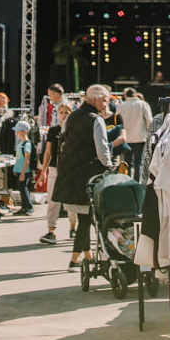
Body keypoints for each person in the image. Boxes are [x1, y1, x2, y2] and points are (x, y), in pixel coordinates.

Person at [51, 84, 113, 270]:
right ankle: (74, 260)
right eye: (104, 99)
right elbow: (102, 151)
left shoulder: (72, 117)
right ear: (94, 99)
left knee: (83, 215)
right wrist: (109, 167)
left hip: (70, 173)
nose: (106, 103)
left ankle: (87, 254)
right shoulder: (96, 120)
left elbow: (63, 141)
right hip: (87, 174)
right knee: (86, 218)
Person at [37, 102, 75, 245]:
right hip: (55, 168)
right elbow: (48, 152)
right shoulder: (53, 130)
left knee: (70, 200)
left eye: (67, 112)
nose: (64, 115)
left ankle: (73, 226)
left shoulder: (74, 130)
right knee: (53, 200)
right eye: (62, 112)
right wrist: (43, 171)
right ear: (58, 114)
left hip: (70, 169)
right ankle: (51, 230)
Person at [115, 87, 153, 180]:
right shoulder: (143, 104)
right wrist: (148, 132)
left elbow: (117, 121)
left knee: (127, 161)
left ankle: (127, 181)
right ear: (136, 95)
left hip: (126, 137)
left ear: (125, 95)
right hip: (140, 137)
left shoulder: (121, 106)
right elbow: (149, 121)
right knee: (138, 162)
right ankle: (136, 182)